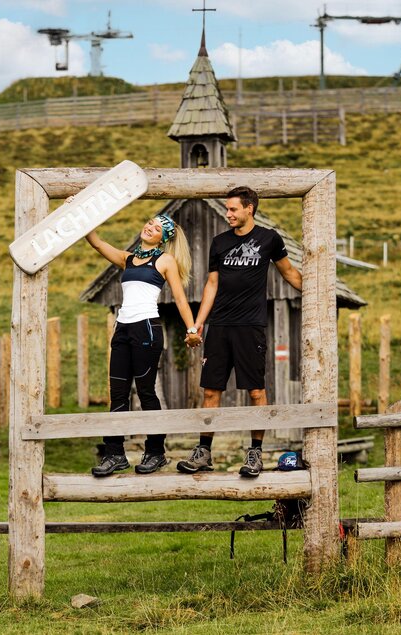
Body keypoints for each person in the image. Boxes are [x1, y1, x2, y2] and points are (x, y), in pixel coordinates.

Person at [177, 186, 302, 478]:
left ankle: (255, 453)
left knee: (256, 390)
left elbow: (289, 273)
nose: (228, 213)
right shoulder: (219, 242)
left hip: (251, 326)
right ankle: (203, 452)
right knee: (211, 391)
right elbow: (211, 285)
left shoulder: (269, 239)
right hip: (219, 326)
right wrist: (196, 325)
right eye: (227, 208)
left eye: (233, 209)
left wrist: (319, 292)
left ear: (250, 209)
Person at [85, 213, 199, 477]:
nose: (150, 227)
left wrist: (192, 330)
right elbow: (98, 244)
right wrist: (82, 217)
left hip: (147, 328)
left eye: (157, 228)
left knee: (146, 392)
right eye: (149, 223)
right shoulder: (127, 259)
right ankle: (114, 454)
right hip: (122, 329)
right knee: (118, 393)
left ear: (163, 238)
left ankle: (156, 452)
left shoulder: (165, 260)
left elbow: (181, 300)